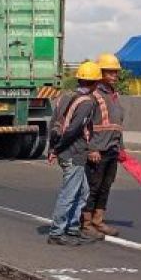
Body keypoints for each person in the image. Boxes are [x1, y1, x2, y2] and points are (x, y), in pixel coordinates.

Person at [45, 62, 100, 246]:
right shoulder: (87, 102)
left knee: (83, 191)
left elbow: (54, 123)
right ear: (95, 83)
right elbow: (74, 130)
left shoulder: (65, 97)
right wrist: (57, 149)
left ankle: (72, 228)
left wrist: (52, 147)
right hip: (73, 153)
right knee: (69, 194)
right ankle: (57, 232)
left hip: (66, 151)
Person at [83, 53, 126, 238]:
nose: (114, 75)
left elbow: (116, 125)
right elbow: (85, 125)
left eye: (116, 72)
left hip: (111, 149)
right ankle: (85, 224)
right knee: (93, 187)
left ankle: (98, 221)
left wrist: (121, 147)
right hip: (97, 150)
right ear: (100, 73)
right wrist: (91, 148)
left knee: (105, 186)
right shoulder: (93, 95)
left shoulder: (113, 95)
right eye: (110, 72)